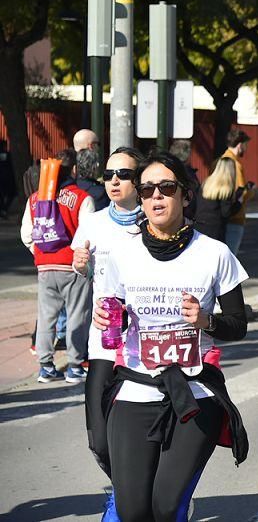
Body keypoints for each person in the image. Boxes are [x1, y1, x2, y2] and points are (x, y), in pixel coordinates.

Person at [92, 151, 249, 522]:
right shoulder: (122, 255)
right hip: (135, 387)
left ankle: (177, 505)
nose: (156, 197)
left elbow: (238, 325)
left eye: (166, 188)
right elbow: (114, 314)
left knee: (165, 508)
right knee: (132, 513)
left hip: (194, 393)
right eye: (147, 190)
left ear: (185, 195)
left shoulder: (215, 254)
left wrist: (206, 320)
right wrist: (105, 317)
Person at [70, 146, 143, 514]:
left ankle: (136, 496)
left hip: (143, 347)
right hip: (104, 342)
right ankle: (126, 488)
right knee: (99, 439)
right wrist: (80, 264)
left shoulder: (154, 221)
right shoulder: (94, 222)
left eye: (124, 174)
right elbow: (82, 269)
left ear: (139, 180)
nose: (114, 180)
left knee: (140, 435)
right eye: (109, 174)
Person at [20, 148, 95, 383]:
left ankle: (45, 366)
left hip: (45, 266)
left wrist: (39, 252)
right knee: (77, 316)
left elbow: (26, 234)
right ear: (72, 171)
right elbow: (89, 235)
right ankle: (74, 366)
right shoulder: (83, 198)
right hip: (73, 266)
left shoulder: (35, 199)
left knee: (46, 317)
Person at [220, 129, 254, 255]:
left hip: (222, 215)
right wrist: (250, 191)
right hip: (235, 217)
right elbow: (241, 193)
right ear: (240, 144)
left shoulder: (221, 160)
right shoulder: (235, 164)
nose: (246, 148)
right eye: (246, 144)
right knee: (230, 259)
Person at [193, 158, 243, 242]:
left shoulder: (207, 182)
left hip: (199, 225)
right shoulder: (226, 188)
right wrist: (239, 203)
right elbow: (226, 212)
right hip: (215, 229)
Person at [0, 139, 15, 218]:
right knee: (11, 194)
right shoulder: (9, 155)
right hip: (8, 177)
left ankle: (3, 209)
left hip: (3, 177)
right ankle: (4, 209)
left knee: (2, 195)